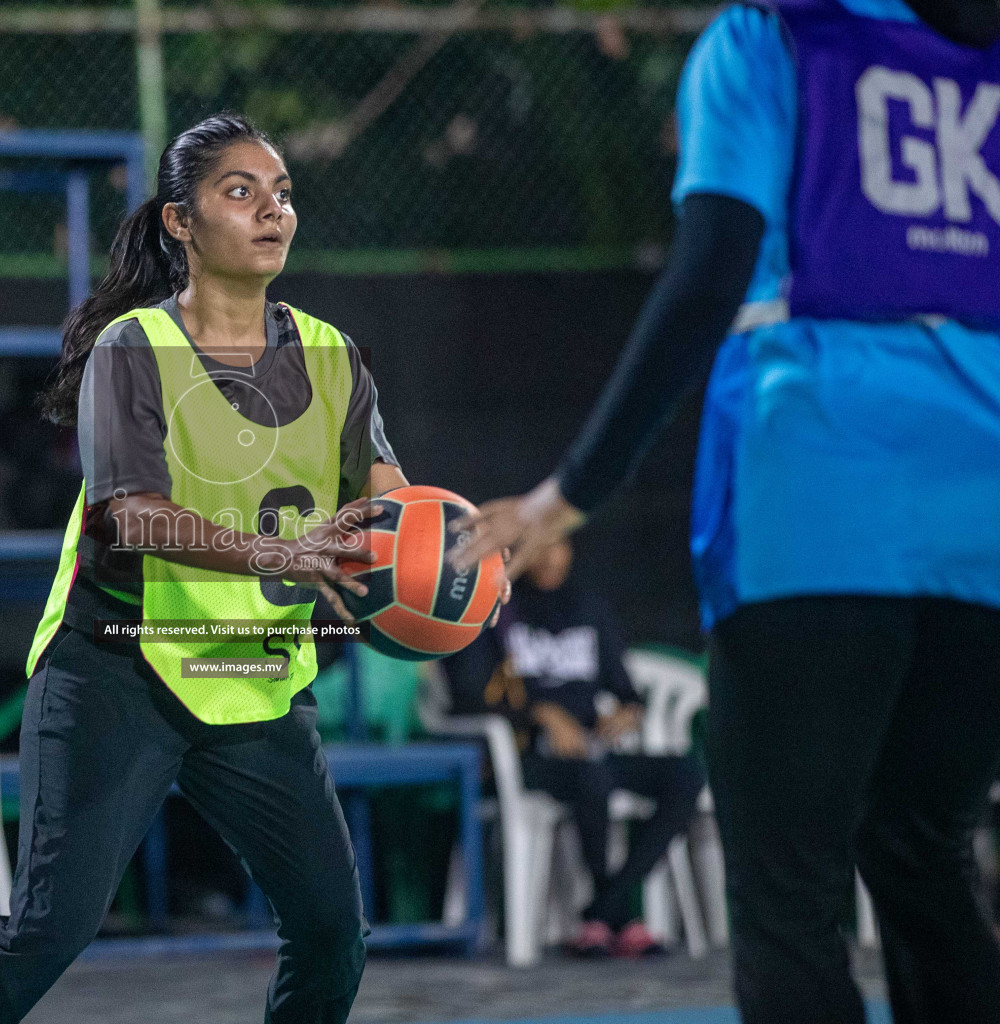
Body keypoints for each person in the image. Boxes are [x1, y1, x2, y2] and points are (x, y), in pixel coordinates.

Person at [450, 0, 1000, 1019]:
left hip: (822, 497)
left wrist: (570, 492)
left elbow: (709, 276)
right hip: (986, 521)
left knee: (789, 892)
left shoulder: (771, 36)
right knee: (924, 854)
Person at [0, 113, 504, 1024]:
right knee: (47, 928)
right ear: (179, 223)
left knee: (332, 937)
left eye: (284, 193)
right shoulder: (133, 350)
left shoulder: (333, 356)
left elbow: (391, 506)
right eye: (242, 192)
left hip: (253, 682)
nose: (273, 211)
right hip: (120, 668)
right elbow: (129, 514)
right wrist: (279, 552)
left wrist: (451, 561)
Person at [444, 538, 704, 958]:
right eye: (538, 546)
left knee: (685, 773)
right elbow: (468, 697)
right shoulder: (495, 612)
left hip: (589, 749)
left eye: (558, 543)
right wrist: (540, 712)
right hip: (526, 758)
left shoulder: (589, 609)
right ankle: (613, 917)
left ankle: (606, 907)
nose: (549, 555)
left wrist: (626, 712)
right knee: (592, 776)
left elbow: (625, 691)